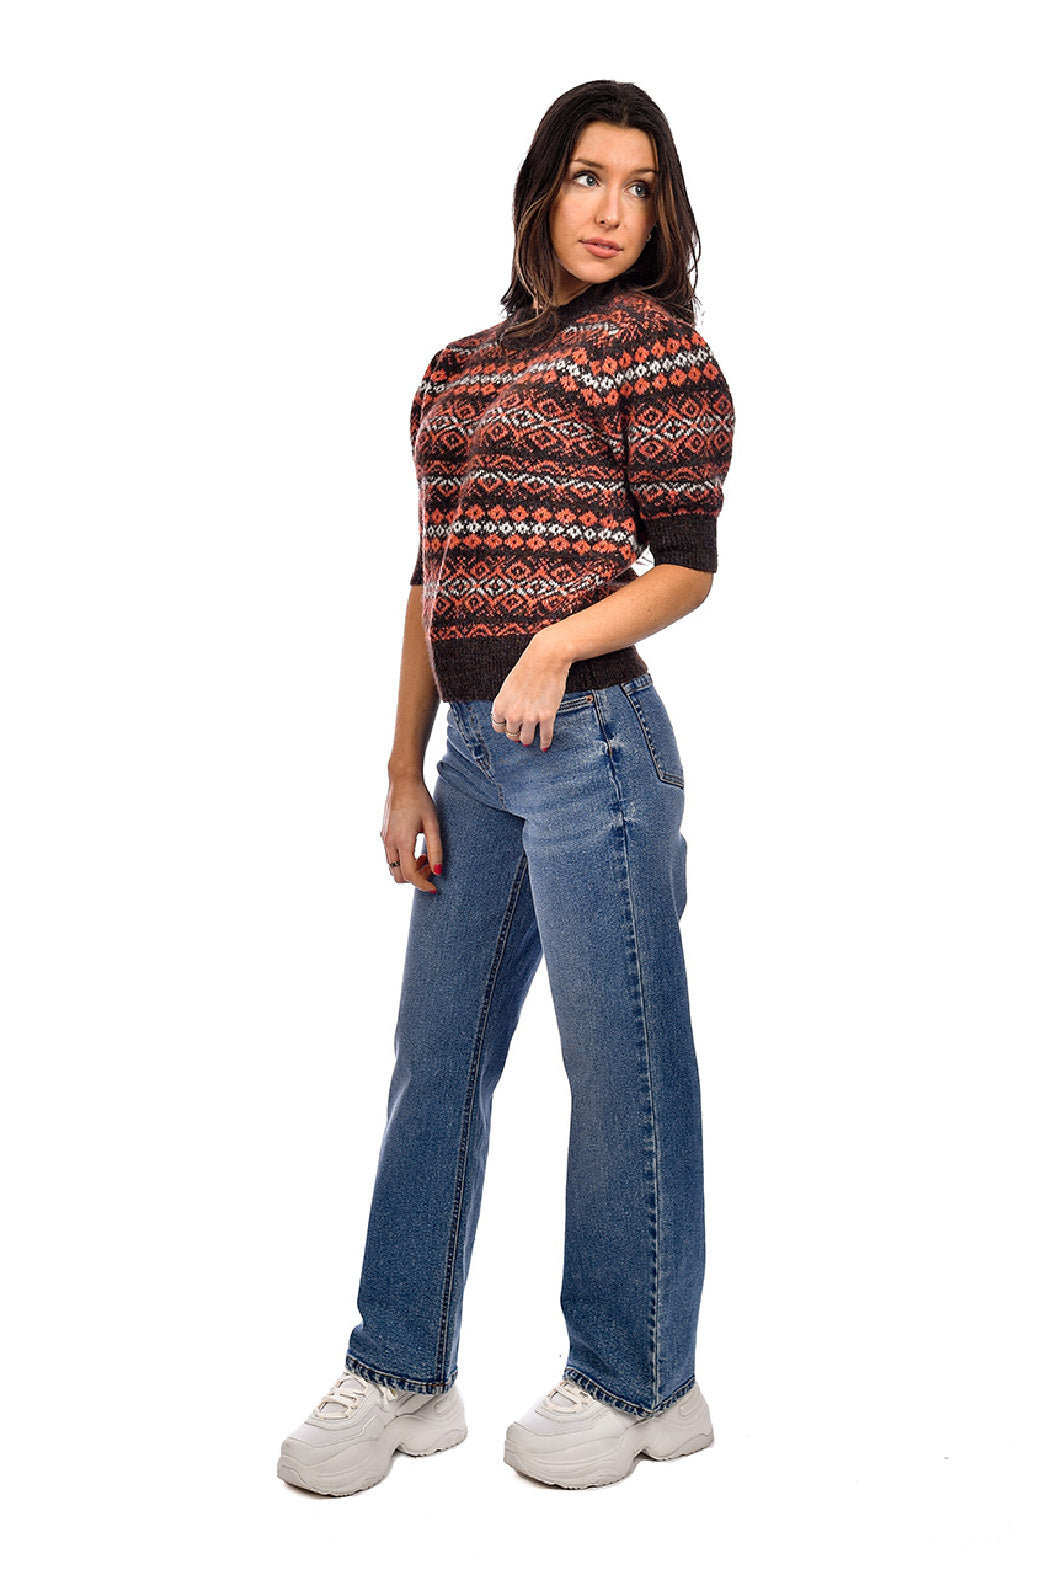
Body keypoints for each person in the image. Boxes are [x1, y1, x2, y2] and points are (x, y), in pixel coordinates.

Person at [277, 78, 736, 1495]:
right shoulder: (456, 367)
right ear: (542, 187)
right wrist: (400, 766)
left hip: (595, 748)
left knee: (621, 1064)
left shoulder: (658, 353)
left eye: (640, 187)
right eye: (588, 176)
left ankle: (642, 1380)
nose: (611, 209)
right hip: (472, 766)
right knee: (436, 1063)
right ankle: (401, 1369)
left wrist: (552, 642)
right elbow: (431, 580)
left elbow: (685, 569)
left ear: (661, 213)